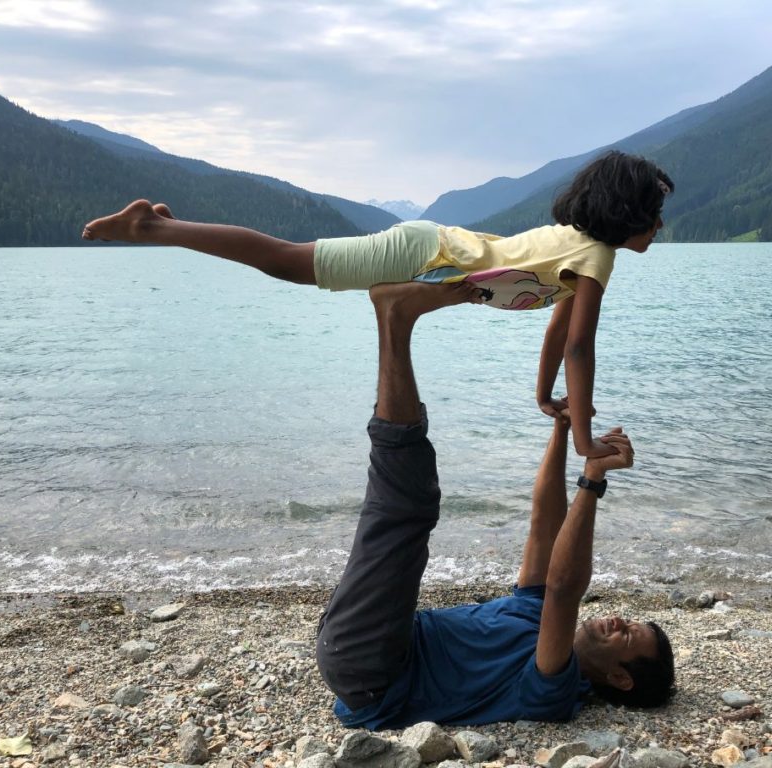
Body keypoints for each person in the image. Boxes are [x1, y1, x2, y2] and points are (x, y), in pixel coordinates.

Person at [82, 152, 674, 459]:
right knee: (288, 261)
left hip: (431, 248)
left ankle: (163, 226)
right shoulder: (597, 256)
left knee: (290, 260)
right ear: (629, 215)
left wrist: (545, 397)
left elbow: (557, 332)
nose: (659, 224)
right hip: (428, 251)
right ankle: (153, 229)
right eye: (655, 211)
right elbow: (579, 344)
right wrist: (583, 442)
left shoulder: (578, 248)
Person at [314, 280, 675, 730]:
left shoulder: (554, 691)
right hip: (375, 634)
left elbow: (567, 590)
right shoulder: (532, 613)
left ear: (620, 678)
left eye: (627, 635)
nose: (618, 619)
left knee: (408, 509)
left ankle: (395, 320)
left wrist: (593, 479)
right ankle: (394, 318)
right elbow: (544, 526)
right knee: (407, 508)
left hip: (372, 669)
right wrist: (562, 431)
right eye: (629, 622)